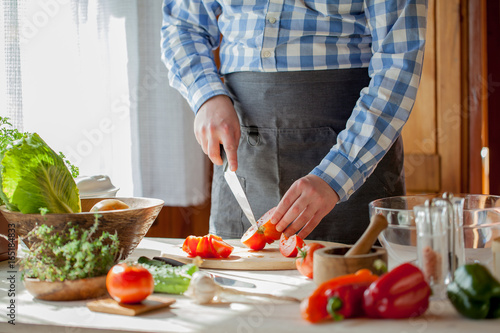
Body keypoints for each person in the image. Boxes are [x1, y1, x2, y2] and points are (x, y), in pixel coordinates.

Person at [161, 0, 428, 244]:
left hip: (354, 152)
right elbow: (182, 25)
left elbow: (398, 66)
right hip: (244, 157)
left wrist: (336, 177)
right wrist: (206, 96)